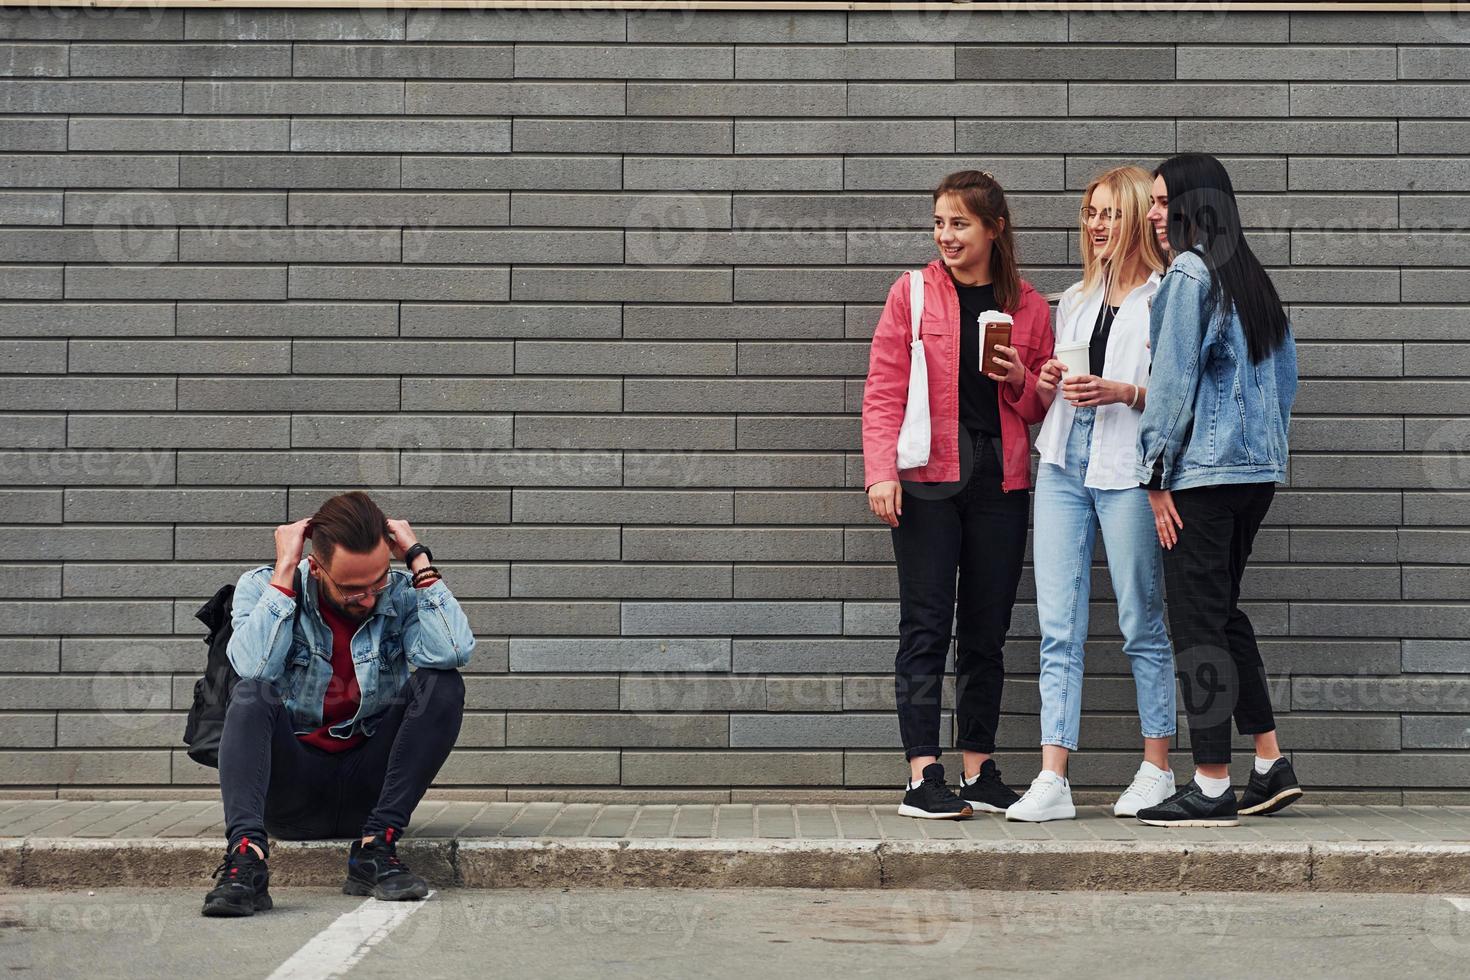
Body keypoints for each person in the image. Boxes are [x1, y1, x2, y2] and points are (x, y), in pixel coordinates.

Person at [862, 170, 1055, 819]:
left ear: (995, 229)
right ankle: (923, 775)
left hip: (1001, 482)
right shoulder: (911, 294)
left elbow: (1037, 407)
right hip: (926, 481)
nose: (946, 234)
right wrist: (880, 471)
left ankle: (979, 769)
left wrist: (1022, 375)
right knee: (925, 624)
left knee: (986, 630)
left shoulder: (1028, 305)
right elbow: (884, 389)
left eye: (960, 223)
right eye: (940, 222)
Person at [202, 490, 474, 916]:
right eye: (351, 589)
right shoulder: (261, 587)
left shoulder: (400, 593)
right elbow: (253, 668)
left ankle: (374, 850)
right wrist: (285, 571)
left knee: (443, 684)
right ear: (316, 565)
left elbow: (453, 650)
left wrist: (418, 560)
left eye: (377, 581)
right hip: (292, 790)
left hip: (370, 788)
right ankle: (246, 859)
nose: (368, 598)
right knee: (253, 692)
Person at [1133, 153, 1303, 827]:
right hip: (1254, 477)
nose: (1152, 213)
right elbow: (1287, 382)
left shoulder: (1189, 271)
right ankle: (1269, 764)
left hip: (1201, 478)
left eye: (1160, 200)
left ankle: (1209, 784)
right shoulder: (1250, 276)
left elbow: (1173, 384)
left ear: (1194, 205)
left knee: (1197, 625)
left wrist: (1155, 475)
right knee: (1224, 613)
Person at [1006, 166, 1177, 823]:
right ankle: (1054, 779)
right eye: (1090, 213)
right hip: (1062, 468)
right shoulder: (1074, 300)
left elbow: (1173, 395)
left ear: (1135, 219)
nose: (1097, 225)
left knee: (1141, 621)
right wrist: (1044, 376)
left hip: (1127, 471)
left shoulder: (1165, 297)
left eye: (1109, 213)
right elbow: (1052, 393)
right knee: (1058, 627)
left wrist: (1119, 391)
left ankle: (1157, 767)